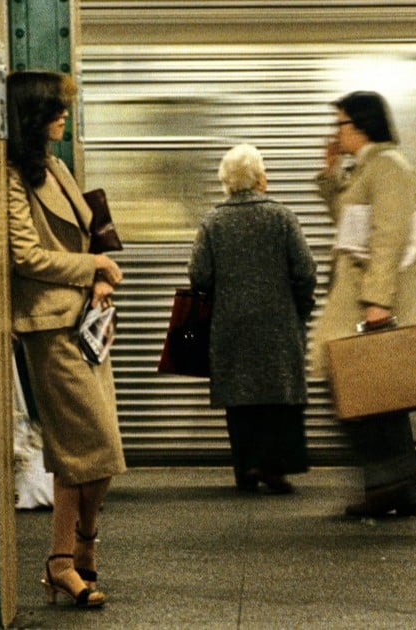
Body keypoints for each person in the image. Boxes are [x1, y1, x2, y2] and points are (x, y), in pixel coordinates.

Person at [5, 71, 126, 608]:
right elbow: (26, 257)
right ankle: (64, 558)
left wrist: (99, 274)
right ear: (33, 115)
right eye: (55, 109)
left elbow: (91, 230)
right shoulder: (13, 176)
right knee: (86, 448)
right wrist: (92, 265)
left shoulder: (55, 166)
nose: (64, 117)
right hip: (49, 327)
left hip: (86, 322)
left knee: (99, 451)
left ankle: (76, 552)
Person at [310, 91, 416, 518]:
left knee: (367, 398)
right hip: (355, 298)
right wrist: (330, 176)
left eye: (339, 124)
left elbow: (389, 237)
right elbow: (348, 222)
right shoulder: (369, 168)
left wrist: (377, 301)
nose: (335, 134)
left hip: (369, 302)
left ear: (359, 125)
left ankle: (390, 487)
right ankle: (393, 487)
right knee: (374, 398)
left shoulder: (389, 167)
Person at [188, 144, 317, 494]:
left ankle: (246, 468)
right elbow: (305, 270)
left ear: (227, 182)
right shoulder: (282, 217)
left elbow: (198, 275)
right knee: (278, 395)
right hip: (279, 323)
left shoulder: (213, 221)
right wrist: (300, 309)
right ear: (259, 177)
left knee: (241, 399)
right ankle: (276, 469)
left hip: (231, 325)